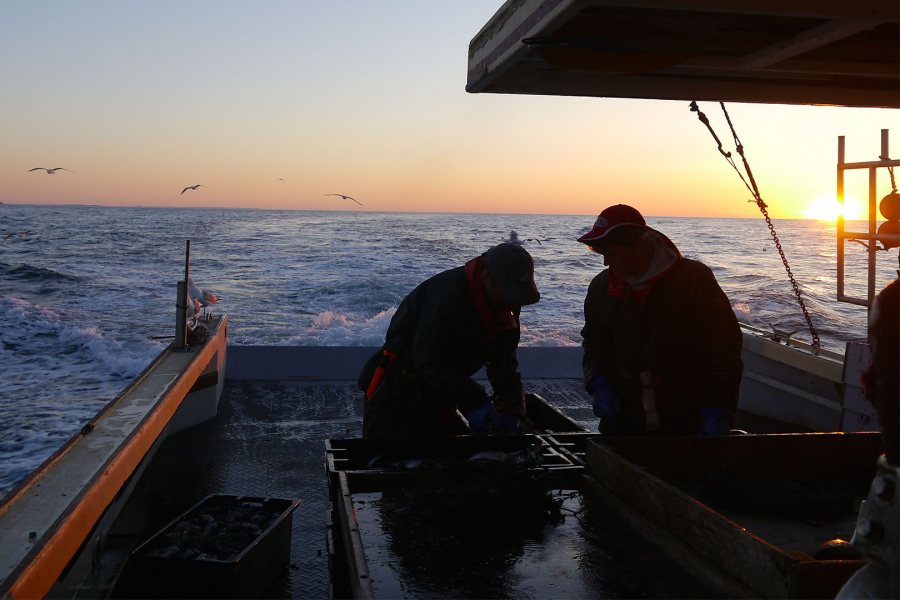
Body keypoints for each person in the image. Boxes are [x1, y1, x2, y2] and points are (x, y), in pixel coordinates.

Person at [577, 204, 743, 435]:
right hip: (625, 421)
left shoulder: (695, 279)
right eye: (601, 254)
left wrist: (719, 409)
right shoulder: (600, 288)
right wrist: (597, 382)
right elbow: (594, 344)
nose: (606, 263)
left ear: (638, 244)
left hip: (688, 418)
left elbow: (725, 348)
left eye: (613, 253)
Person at [358, 243, 540, 439]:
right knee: (387, 462)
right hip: (396, 391)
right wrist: (475, 401)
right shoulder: (446, 297)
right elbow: (428, 362)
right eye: (510, 295)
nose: (514, 303)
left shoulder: (509, 302)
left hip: (442, 393)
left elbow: (504, 362)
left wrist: (513, 410)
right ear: (487, 279)